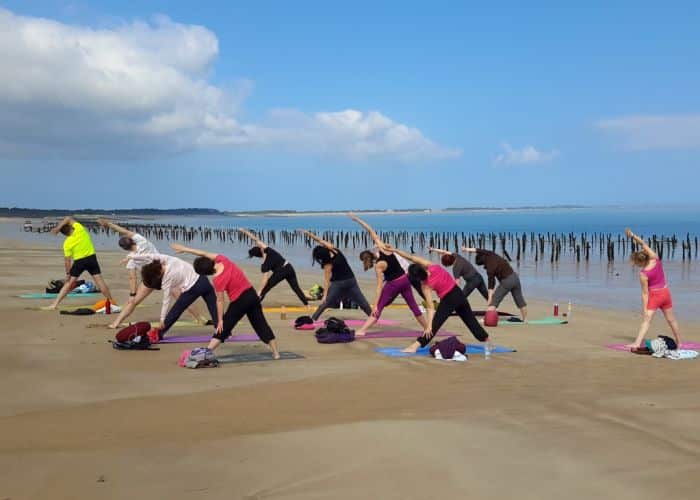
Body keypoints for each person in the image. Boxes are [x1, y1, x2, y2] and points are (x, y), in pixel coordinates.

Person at [170, 243, 280, 358]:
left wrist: (220, 320)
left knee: (224, 327)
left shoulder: (218, 279)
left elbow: (220, 301)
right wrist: (185, 249)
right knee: (261, 324)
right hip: (252, 295)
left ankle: (207, 351)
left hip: (239, 301)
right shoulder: (223, 259)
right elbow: (203, 253)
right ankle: (276, 353)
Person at [381, 244, 493, 353]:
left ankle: (415, 346)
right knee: (470, 320)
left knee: (434, 326)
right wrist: (394, 250)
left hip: (449, 299)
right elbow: (411, 257)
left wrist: (429, 325)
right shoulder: (433, 266)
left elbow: (430, 307)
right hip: (459, 294)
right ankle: (487, 340)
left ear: (416, 278)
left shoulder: (425, 286)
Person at [97, 218, 209, 323]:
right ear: (133, 241)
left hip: (150, 280)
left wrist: (132, 294)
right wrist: (109, 224)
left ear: (124, 249)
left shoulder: (131, 259)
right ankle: (200, 318)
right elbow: (125, 231)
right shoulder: (142, 241)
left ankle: (116, 323)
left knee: (133, 302)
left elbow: (132, 278)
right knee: (181, 298)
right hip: (165, 273)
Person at [348, 213, 428, 336]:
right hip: (405, 280)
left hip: (394, 284)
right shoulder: (382, 248)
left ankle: (363, 330)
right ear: (370, 252)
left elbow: (379, 287)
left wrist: (374, 305)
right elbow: (370, 230)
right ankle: (427, 328)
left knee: (379, 308)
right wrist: (357, 219)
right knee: (413, 306)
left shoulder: (378, 266)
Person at [107, 252, 217, 338]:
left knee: (176, 310)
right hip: (204, 280)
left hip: (194, 288)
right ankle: (224, 331)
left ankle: (159, 334)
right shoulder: (167, 259)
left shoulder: (167, 278)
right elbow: (151, 256)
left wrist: (162, 319)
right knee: (214, 308)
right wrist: (132, 257)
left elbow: (166, 300)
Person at [625, 228, 681, 349]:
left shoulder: (643, 274)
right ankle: (680, 342)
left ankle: (637, 343)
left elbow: (645, 293)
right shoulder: (655, 258)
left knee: (646, 321)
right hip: (666, 293)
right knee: (671, 320)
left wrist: (645, 309)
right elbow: (643, 244)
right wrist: (633, 235)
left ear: (639, 263)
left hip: (655, 297)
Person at [298, 229, 372, 321]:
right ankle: (373, 317)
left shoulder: (327, 264)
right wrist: (309, 234)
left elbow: (327, 280)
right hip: (351, 280)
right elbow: (320, 241)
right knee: (362, 302)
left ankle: (313, 319)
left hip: (338, 284)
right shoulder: (334, 250)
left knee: (326, 303)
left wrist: (324, 295)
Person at [44, 217, 115, 310]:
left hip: (79, 262)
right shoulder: (79, 229)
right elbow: (68, 218)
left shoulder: (67, 243)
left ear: (64, 234)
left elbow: (67, 261)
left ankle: (55, 304)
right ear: (71, 228)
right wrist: (58, 227)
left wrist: (68, 273)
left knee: (68, 284)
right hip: (91, 258)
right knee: (100, 281)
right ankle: (111, 302)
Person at [238, 228, 309, 307]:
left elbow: (265, 279)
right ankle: (307, 305)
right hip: (289, 267)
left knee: (267, 287)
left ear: (258, 256)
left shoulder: (265, 264)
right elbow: (255, 239)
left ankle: (255, 304)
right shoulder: (267, 249)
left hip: (280, 272)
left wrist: (260, 291)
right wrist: (244, 231)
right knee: (296, 288)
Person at [462, 246, 527, 321]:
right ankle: (525, 320)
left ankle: (487, 319)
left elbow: (491, 283)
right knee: (520, 300)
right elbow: (478, 250)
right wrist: (466, 249)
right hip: (515, 277)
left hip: (506, 282)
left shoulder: (490, 268)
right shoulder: (490, 254)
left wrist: (490, 298)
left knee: (494, 303)